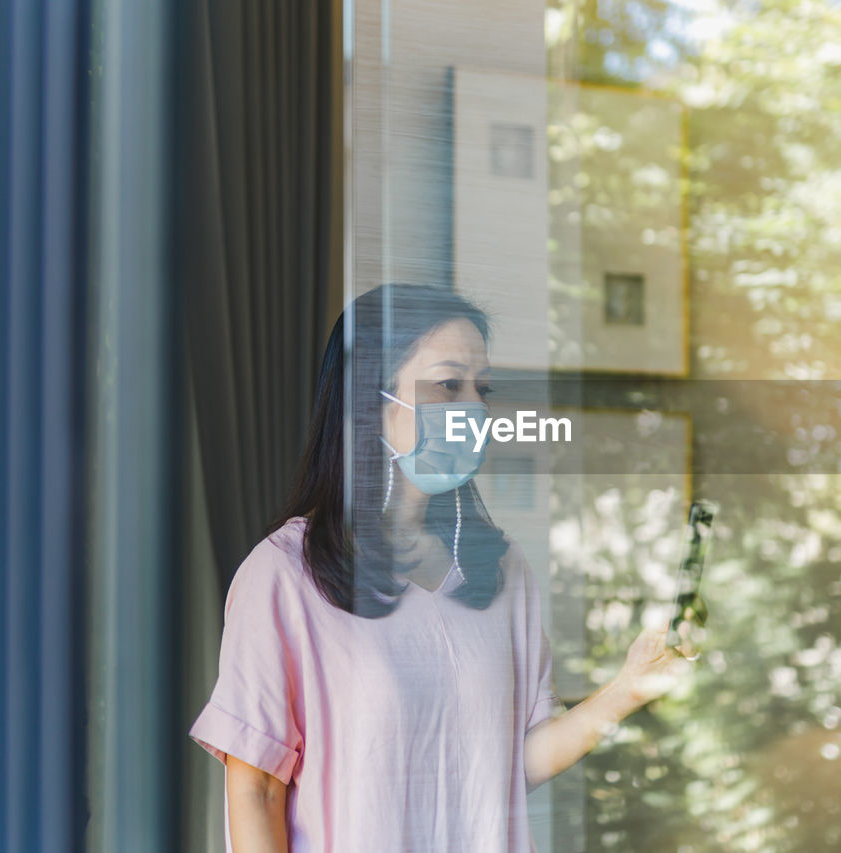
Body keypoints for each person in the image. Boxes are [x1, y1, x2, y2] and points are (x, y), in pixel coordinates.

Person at [189, 283, 690, 852]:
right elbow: (256, 788)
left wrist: (626, 690)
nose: (473, 408)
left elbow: (514, 763)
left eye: (482, 388)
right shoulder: (283, 575)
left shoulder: (500, 571)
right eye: (449, 385)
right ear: (369, 400)